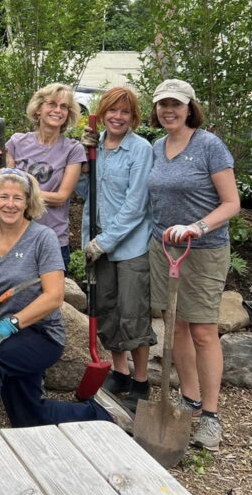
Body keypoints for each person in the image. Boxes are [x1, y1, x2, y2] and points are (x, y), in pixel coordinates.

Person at [0, 169, 129, 431]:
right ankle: (99, 414)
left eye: (18, 198)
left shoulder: (42, 238)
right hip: (2, 332)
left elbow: (54, 296)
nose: (10, 204)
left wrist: (12, 324)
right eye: (3, 196)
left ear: (28, 202)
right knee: (29, 417)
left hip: (40, 334)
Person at [147, 78, 240, 452]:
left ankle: (211, 418)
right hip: (164, 248)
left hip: (202, 250)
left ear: (189, 107)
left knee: (203, 330)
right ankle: (189, 398)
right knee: (177, 328)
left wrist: (196, 227)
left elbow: (231, 203)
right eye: (162, 104)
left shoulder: (208, 146)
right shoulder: (157, 147)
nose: (169, 110)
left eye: (176, 104)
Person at [79, 86, 156, 412]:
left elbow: (136, 206)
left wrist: (105, 241)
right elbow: (83, 191)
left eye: (125, 112)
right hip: (97, 243)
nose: (118, 117)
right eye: (113, 110)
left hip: (129, 246)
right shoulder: (97, 148)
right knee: (107, 309)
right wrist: (84, 160)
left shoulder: (140, 150)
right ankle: (119, 372)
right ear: (103, 113)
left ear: (133, 117)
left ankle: (141, 381)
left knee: (132, 313)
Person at [0, 83, 86, 270]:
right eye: (52, 104)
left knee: (51, 297)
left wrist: (20, 196)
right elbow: (5, 187)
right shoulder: (17, 142)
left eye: (64, 107)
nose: (58, 110)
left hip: (53, 239)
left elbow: (61, 198)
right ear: (38, 109)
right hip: (15, 235)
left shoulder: (73, 150)